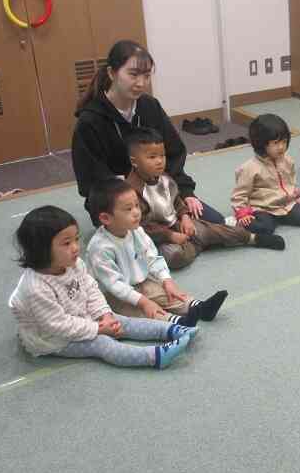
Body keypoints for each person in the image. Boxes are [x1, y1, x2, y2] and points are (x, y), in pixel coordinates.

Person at [9, 206, 195, 369]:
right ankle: (154, 357)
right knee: (102, 343)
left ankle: (172, 330)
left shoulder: (74, 263)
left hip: (81, 316)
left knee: (122, 321)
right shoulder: (36, 288)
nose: (75, 247)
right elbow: (59, 326)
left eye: (76, 239)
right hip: (53, 338)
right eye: (66, 243)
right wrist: (98, 329)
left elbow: (91, 289)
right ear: (40, 249)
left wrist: (105, 315)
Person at [72, 39, 224, 226]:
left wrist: (186, 193)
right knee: (154, 240)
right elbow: (90, 180)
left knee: (216, 222)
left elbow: (174, 153)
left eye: (146, 76)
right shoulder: (90, 121)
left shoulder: (150, 106)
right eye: (133, 74)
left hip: (159, 191)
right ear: (112, 73)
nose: (141, 83)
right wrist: (131, 198)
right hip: (116, 202)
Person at [125, 127, 285, 269]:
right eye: (152, 157)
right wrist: (170, 236)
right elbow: (142, 227)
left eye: (162, 155)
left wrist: (185, 217)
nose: (160, 161)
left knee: (216, 229)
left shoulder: (164, 177)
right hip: (158, 237)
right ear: (134, 161)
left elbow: (176, 200)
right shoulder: (131, 191)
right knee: (175, 256)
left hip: (177, 224)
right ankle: (198, 243)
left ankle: (253, 238)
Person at [85, 179, 227, 325]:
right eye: (128, 209)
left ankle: (200, 308)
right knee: (141, 312)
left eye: (137, 206)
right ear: (106, 218)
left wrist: (167, 280)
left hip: (140, 282)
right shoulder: (100, 248)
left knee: (168, 294)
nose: (136, 213)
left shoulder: (136, 231)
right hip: (113, 295)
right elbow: (115, 285)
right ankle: (177, 323)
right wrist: (144, 302)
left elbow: (153, 257)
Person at [231, 113, 300, 235]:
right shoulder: (250, 168)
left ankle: (276, 218)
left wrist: (295, 196)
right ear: (261, 143)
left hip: (285, 204)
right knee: (265, 228)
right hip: (262, 207)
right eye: (276, 143)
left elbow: (291, 181)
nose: (281, 147)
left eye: (284, 142)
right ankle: (241, 222)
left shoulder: (287, 160)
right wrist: (242, 213)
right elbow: (239, 194)